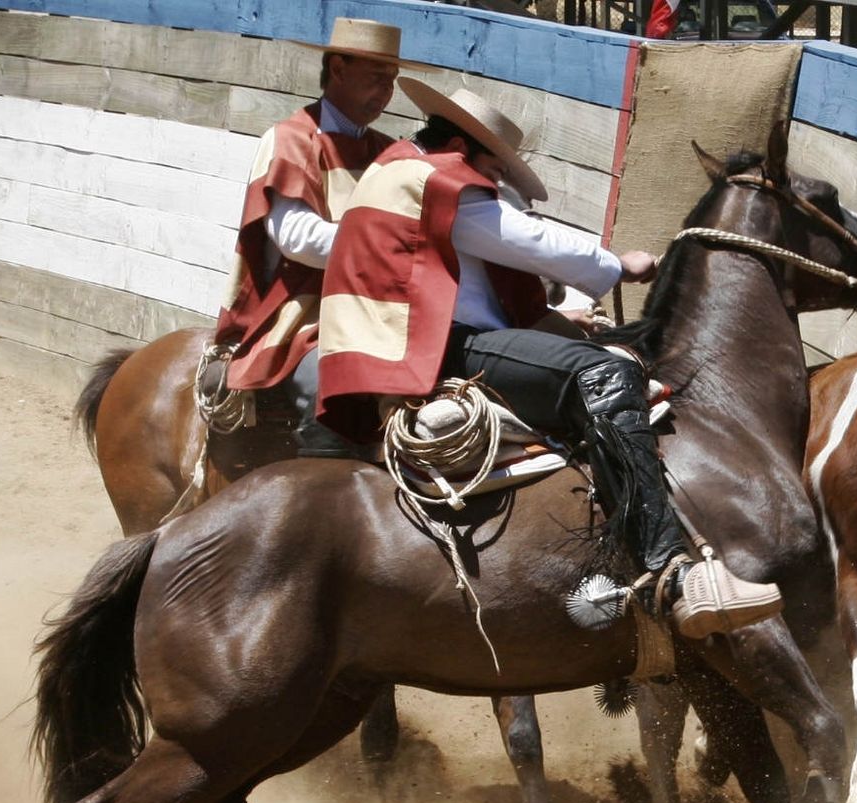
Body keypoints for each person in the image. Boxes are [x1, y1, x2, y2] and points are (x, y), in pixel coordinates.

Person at [316, 80, 783, 639]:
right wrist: (616, 265)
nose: (495, 184)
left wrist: (559, 320)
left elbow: (469, 281)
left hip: (406, 346)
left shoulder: (399, 171)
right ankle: (669, 571)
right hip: (436, 349)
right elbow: (524, 240)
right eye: (495, 170)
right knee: (606, 371)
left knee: (593, 359)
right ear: (469, 149)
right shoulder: (442, 182)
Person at [212, 18, 424, 407]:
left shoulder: (387, 149)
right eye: (377, 77)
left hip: (374, 304)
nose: (387, 92)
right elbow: (298, 240)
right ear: (338, 70)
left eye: (392, 80)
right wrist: (393, 248)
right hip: (301, 310)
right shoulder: (291, 139)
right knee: (331, 388)